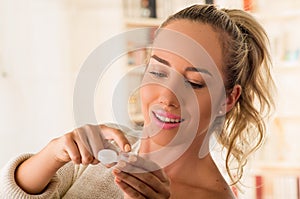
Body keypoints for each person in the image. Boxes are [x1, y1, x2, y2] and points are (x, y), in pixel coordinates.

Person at [0, 4, 274, 199]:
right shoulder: (102, 150)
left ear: (228, 99)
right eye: (157, 72)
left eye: (193, 83)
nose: (167, 97)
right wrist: (54, 153)